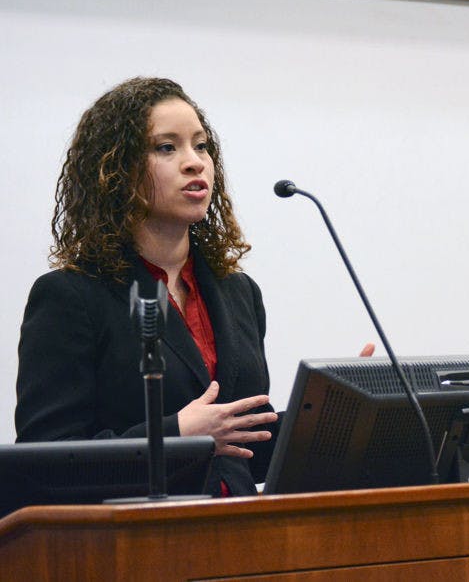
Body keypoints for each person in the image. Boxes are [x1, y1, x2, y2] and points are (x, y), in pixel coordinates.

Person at [16, 77, 281, 496]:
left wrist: (329, 419)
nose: (194, 162)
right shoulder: (71, 297)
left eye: (202, 145)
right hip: (131, 545)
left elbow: (241, 449)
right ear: (114, 171)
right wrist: (176, 434)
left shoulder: (238, 293)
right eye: (166, 147)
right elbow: (45, 460)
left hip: (239, 539)